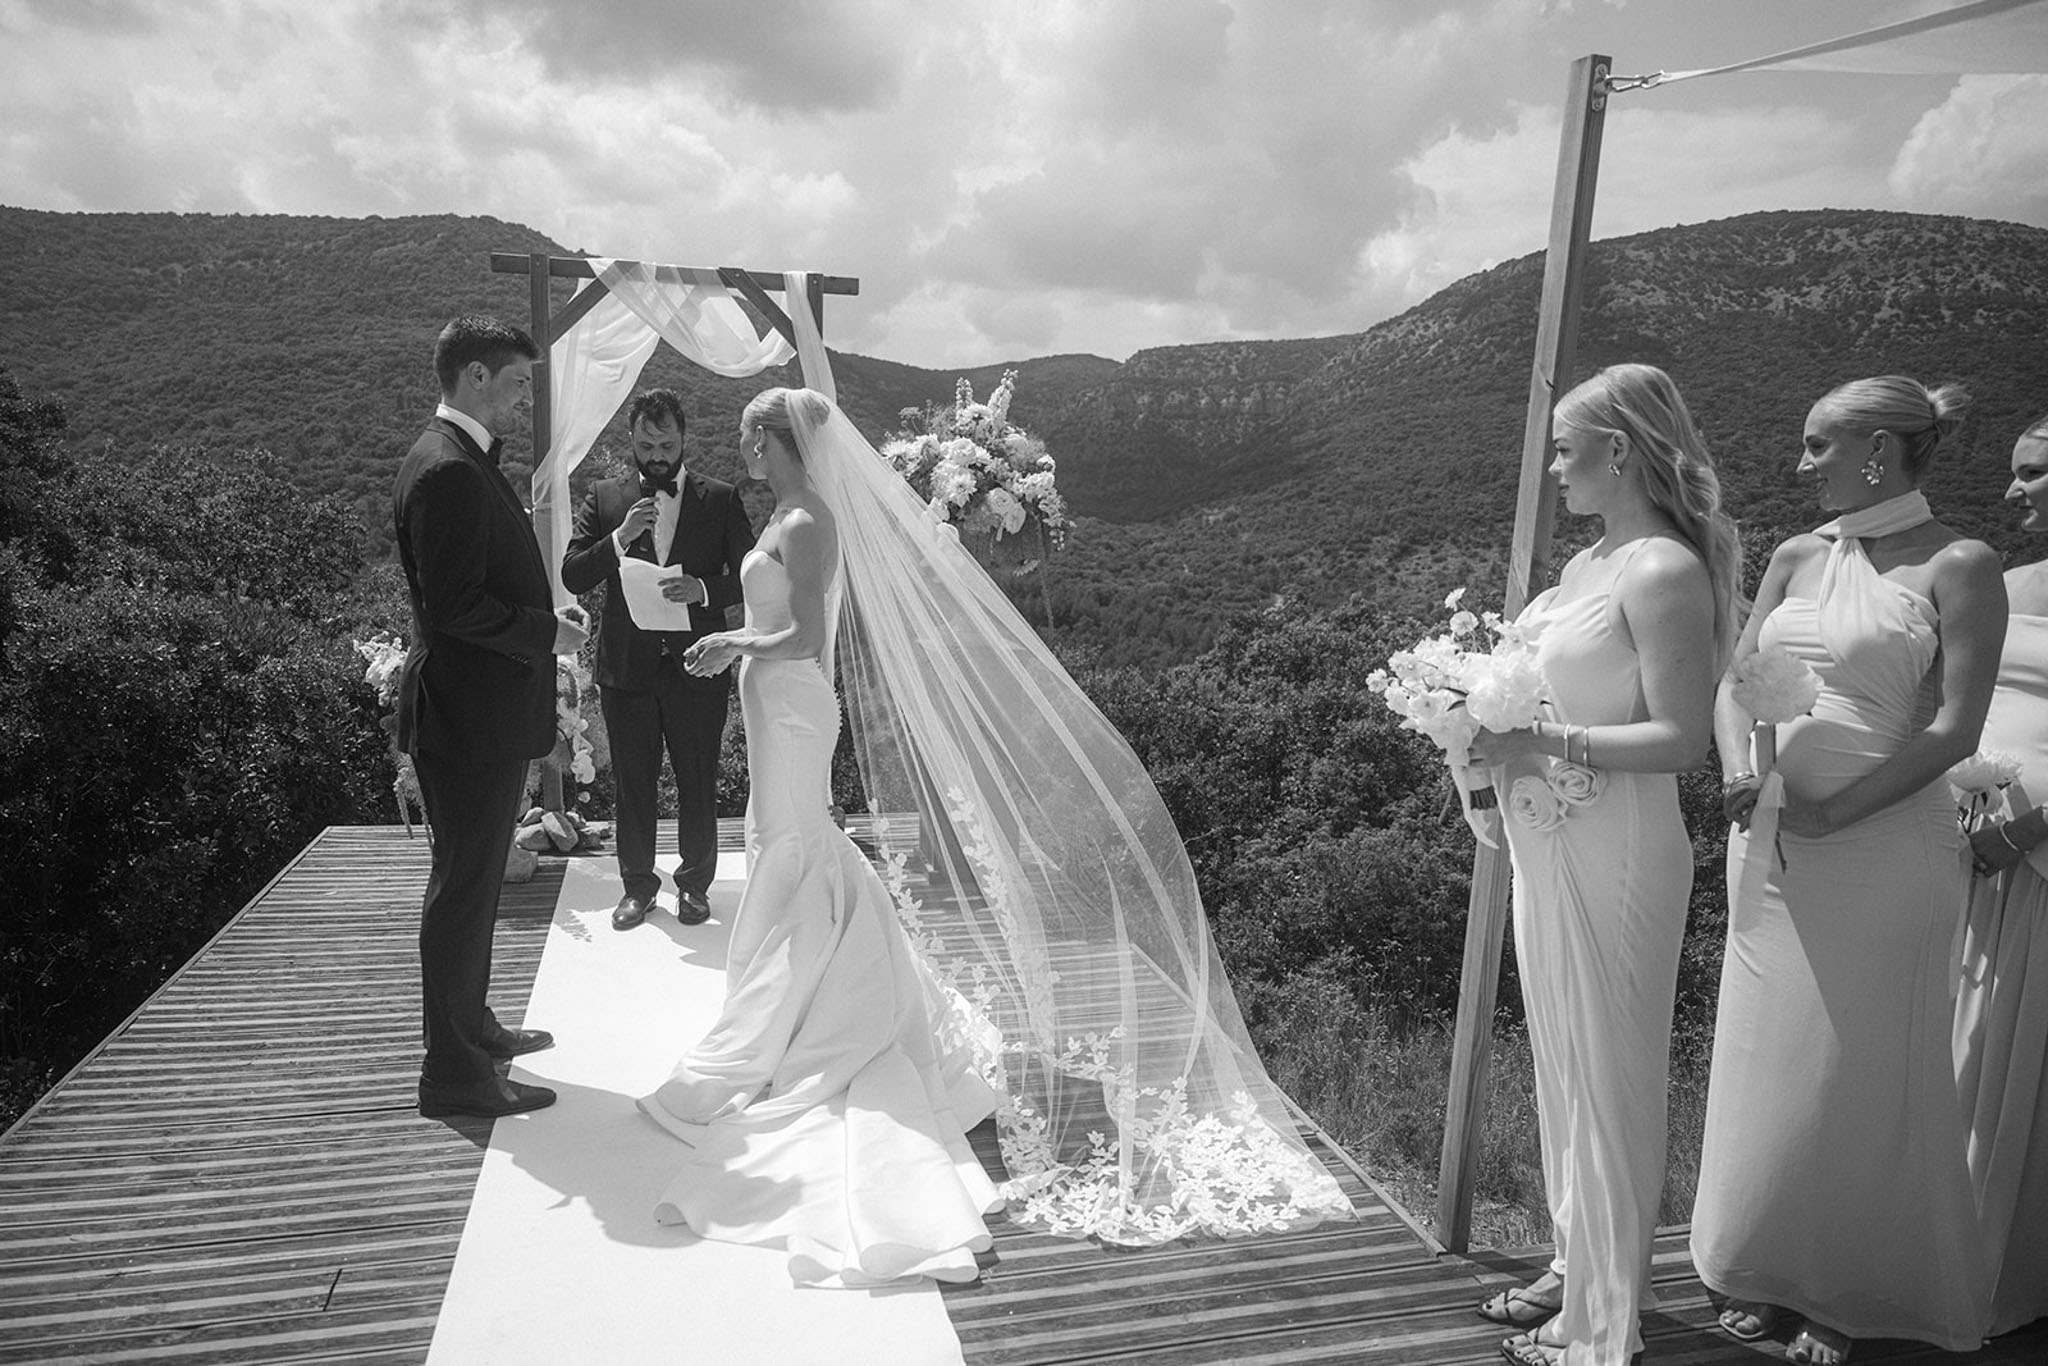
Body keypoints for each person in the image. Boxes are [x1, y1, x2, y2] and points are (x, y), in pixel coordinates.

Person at [635, 387, 1350, 1286]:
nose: (739, 448)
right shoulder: (784, 511)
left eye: (749, 436)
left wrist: (734, 641)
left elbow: (807, 633)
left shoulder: (809, 518)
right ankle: (783, 996)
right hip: (772, 699)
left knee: (799, 839)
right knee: (782, 836)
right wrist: (736, 637)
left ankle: (812, 1001)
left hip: (792, 700)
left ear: (776, 441)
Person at [1696, 376, 2002, 1364]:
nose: (1799, 465)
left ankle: (1852, 1290)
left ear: (1876, 448)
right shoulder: (1793, 555)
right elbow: (1734, 686)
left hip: (1880, 851)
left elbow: (1954, 726)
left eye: (1814, 446)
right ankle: (1772, 1268)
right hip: (1773, 848)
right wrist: (1749, 784)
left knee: (1860, 1069)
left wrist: (1832, 809)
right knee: (1772, 1058)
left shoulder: (1959, 565)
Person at [1468, 365, 1738, 1366]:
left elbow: (1677, 739)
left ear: (1617, 450)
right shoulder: (1586, 566)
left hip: (1618, 853)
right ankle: (1573, 1264)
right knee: (1562, 1074)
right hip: (1549, 848)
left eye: (1564, 448)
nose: (1551, 468)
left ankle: (1600, 1327)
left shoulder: (1661, 571)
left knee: (1612, 1078)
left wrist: (1542, 742)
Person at [394, 315, 588, 1120]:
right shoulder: (447, 469)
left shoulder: (454, 458)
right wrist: (549, 632)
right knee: (463, 891)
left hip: (477, 715)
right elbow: (455, 607)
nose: (521, 397)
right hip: (469, 719)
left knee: (470, 887)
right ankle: (454, 1076)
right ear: (474, 375)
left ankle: (471, 1030)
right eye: (515, 381)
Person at [561, 388, 754, 931]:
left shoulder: (718, 497)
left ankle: (695, 887)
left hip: (698, 664)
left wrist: (704, 590)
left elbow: (753, 571)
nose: (657, 455)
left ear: (683, 438)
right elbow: (572, 574)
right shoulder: (604, 497)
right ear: (632, 440)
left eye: (667, 443)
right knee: (633, 782)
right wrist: (619, 539)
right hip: (628, 669)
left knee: (698, 779)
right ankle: (637, 888)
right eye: (647, 444)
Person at [1956, 410, 2048, 1338]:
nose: (2015, 488)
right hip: (1968, 842)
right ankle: (1937, 1252)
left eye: (2035, 474)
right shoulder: (2008, 582)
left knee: (2019, 1061)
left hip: (2035, 857)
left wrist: (2028, 835)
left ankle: (2001, 1273)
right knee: (1956, 1055)